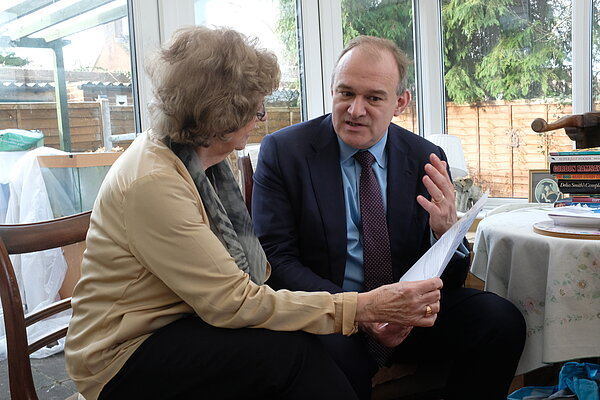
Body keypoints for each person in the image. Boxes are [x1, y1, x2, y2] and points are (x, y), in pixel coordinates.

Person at [64, 27, 446, 400]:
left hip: (180, 323)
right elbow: (233, 300)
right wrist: (364, 307)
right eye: (255, 107)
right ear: (219, 114)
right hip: (122, 354)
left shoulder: (200, 160)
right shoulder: (154, 182)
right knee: (291, 357)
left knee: (296, 349)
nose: (262, 117)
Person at [252, 35, 526, 400]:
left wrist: (446, 235)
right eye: (345, 93)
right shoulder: (285, 152)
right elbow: (276, 260)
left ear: (400, 102)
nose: (355, 110)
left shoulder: (425, 157)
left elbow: (453, 280)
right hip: (330, 313)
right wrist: (360, 311)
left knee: (500, 321)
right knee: (336, 359)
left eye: (374, 97)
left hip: (406, 316)